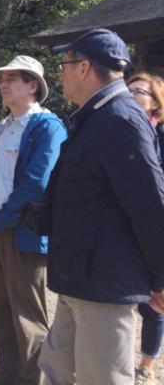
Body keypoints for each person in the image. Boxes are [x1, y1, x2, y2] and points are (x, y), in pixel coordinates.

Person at [36, 29, 164, 385]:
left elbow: (151, 204)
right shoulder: (95, 116)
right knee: (56, 368)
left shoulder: (120, 119)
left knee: (103, 378)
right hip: (79, 276)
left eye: (65, 63)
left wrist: (160, 277)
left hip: (106, 283)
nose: (60, 72)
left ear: (84, 68)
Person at [0, 56, 66, 385]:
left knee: (27, 316)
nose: (3, 84)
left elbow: (36, 183)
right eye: (1, 79)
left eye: (12, 79)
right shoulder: (0, 128)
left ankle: (33, 381)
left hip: (23, 231)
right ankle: (5, 378)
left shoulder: (48, 126)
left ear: (32, 85)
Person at [126, 72, 164, 385]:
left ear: (155, 105)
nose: (132, 93)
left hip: (154, 228)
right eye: (129, 89)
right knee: (121, 299)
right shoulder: (116, 129)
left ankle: (147, 364)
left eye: (140, 91)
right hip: (122, 230)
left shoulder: (160, 136)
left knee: (153, 303)